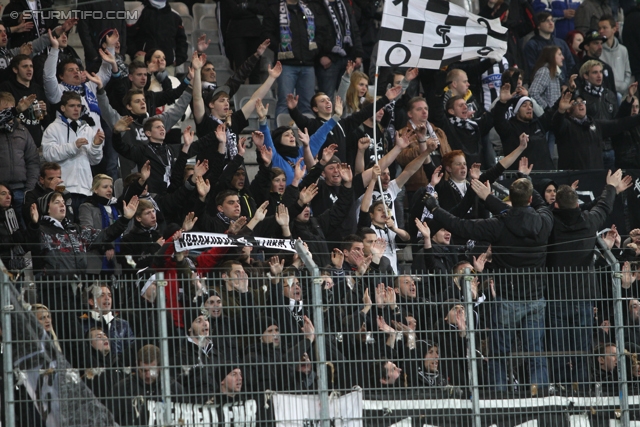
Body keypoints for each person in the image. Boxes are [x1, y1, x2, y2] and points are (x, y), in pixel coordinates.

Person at [425, 177, 553, 392]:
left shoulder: (499, 224)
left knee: (499, 352)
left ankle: (500, 400)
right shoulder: (544, 220)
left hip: (507, 298)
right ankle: (539, 395)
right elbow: (540, 206)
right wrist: (495, 197)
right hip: (535, 297)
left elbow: (461, 226)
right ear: (530, 198)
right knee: (535, 350)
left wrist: (435, 209)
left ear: (511, 198)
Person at [546, 171, 629, 387]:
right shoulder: (589, 222)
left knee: (559, 351)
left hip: (557, 299)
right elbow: (603, 206)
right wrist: (611, 187)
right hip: (583, 300)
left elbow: (540, 207)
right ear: (577, 205)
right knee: (583, 352)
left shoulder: (550, 223)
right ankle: (583, 394)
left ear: (556, 206)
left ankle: (561, 393)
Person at [41, 91, 106, 219]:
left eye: (79, 106)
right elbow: (48, 155)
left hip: (86, 190)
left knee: (84, 230)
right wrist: (73, 146)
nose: (76, 109)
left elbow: (95, 160)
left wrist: (96, 145)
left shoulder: (87, 129)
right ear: (63, 108)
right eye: (72, 106)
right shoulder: (53, 128)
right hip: (64, 190)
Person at [552, 86, 640, 170]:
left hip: (595, 177)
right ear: (568, 109)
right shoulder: (566, 126)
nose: (581, 105)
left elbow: (619, 124)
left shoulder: (595, 124)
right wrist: (560, 111)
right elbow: (556, 124)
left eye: (583, 102)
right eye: (576, 103)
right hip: (572, 179)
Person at [109, 345, 184, 427]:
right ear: (137, 365)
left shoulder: (173, 388)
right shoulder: (122, 389)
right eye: (143, 370)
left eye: (152, 370)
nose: (148, 375)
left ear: (160, 367)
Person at [0, 92, 39, 219]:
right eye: (5, 110)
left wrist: (29, 190)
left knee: (23, 232)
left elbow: (33, 162)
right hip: (0, 193)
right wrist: (16, 110)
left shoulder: (23, 131)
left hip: (20, 191)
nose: (10, 113)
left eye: (11, 109)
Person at [0, 54, 49, 145]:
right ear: (15, 70)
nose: (29, 69)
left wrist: (44, 113)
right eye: (25, 66)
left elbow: (43, 120)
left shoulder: (37, 89)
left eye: (31, 66)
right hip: (15, 143)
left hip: (36, 143)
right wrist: (18, 109)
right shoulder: (7, 87)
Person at [78, 174, 121, 276]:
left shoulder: (116, 207)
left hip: (117, 261)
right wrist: (106, 245)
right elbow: (87, 231)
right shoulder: (86, 207)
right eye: (105, 187)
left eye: (111, 187)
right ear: (95, 190)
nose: (109, 190)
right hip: (96, 260)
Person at [126, 0, 188, 67]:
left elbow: (181, 41)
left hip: (167, 64)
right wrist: (134, 52)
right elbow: (128, 37)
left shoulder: (176, 16)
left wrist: (178, 59)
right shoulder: (137, 13)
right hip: (143, 64)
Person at [524, 12, 575, 83]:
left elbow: (571, 64)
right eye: (546, 21)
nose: (551, 23)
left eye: (552, 20)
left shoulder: (561, 43)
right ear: (538, 25)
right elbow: (531, 68)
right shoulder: (532, 45)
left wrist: (566, 83)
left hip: (563, 84)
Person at [572, 30, 617, 94]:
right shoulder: (578, 68)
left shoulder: (606, 67)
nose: (600, 47)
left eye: (601, 43)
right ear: (586, 46)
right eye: (596, 43)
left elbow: (613, 93)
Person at [598, 15, 631, 99]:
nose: (601, 31)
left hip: (622, 93)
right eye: (599, 28)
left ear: (614, 29)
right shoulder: (597, 51)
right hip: (604, 95)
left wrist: (623, 86)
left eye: (604, 28)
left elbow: (628, 73)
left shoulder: (623, 50)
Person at [0, 183, 28, 273]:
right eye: (3, 194)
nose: (8, 197)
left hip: (17, 265)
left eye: (9, 193)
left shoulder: (14, 214)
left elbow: (24, 238)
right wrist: (12, 240)